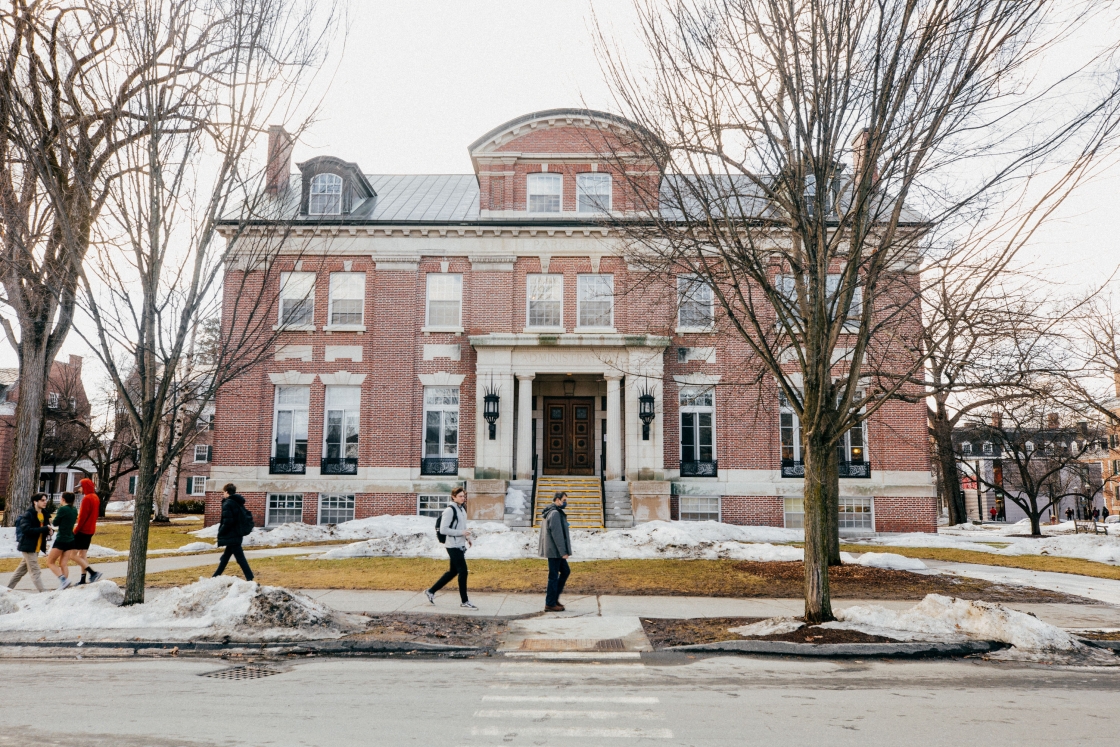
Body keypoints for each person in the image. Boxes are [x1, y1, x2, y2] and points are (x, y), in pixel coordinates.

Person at [425, 487, 477, 609]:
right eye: (460, 496)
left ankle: (431, 591)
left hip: (459, 544)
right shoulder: (449, 510)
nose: (463, 498)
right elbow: (444, 529)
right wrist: (461, 533)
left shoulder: (462, 509)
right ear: (453, 497)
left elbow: (462, 527)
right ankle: (464, 601)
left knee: (453, 571)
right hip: (452, 545)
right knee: (463, 571)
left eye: (464, 496)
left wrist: (467, 538)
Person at [6, 493, 52, 592]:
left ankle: (7, 590)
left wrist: (50, 531)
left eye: (45, 500)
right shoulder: (28, 514)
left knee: (20, 571)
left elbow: (46, 527)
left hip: (36, 547)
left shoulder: (44, 514)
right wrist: (44, 529)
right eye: (42, 500)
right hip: (28, 546)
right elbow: (26, 530)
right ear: (35, 502)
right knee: (35, 571)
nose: (45, 502)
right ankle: (44, 593)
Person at [212, 483, 254, 581]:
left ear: (227, 492)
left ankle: (249, 578)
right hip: (237, 533)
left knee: (240, 558)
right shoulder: (237, 502)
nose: (223, 494)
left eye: (224, 492)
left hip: (232, 534)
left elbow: (228, 521)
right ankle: (215, 576)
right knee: (225, 558)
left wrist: (221, 532)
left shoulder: (228, 503)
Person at [539, 491, 572, 612]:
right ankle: (550, 603)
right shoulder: (554, 514)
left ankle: (553, 599)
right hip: (555, 551)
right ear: (557, 500)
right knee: (553, 576)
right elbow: (557, 535)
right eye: (564, 500)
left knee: (565, 571)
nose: (565, 503)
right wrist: (563, 552)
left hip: (555, 550)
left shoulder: (554, 512)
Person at [69, 478, 103, 585]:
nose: (79, 490)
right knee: (82, 555)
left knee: (72, 555)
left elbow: (82, 518)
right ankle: (83, 579)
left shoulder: (87, 499)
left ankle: (93, 573)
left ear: (84, 487)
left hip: (83, 530)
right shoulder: (96, 498)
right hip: (90, 529)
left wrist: (76, 530)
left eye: (80, 487)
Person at [46, 492, 78, 589]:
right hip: (70, 538)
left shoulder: (62, 509)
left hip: (61, 539)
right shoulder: (74, 509)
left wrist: (51, 522)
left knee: (50, 562)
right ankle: (65, 585)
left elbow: (55, 523)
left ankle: (63, 580)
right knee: (63, 563)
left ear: (63, 499)